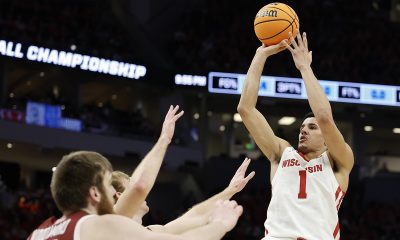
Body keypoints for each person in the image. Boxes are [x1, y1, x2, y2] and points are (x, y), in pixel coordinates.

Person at [237, 31, 354, 240]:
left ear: (327, 140)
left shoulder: (338, 161)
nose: (304, 130)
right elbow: (246, 109)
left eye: (312, 127)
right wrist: (260, 56)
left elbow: (325, 117)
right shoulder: (282, 154)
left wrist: (304, 67)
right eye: (302, 127)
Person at [28, 151, 243, 240]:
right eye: (108, 186)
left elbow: (191, 218)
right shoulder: (96, 226)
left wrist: (228, 191)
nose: (111, 191)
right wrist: (220, 226)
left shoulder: (43, 229)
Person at [112, 157, 255, 232]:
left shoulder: (149, 232)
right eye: (132, 186)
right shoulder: (110, 230)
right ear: (119, 195)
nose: (141, 190)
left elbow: (194, 215)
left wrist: (230, 190)